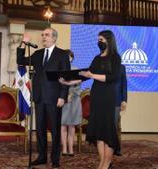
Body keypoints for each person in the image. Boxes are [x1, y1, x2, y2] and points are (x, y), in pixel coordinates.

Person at [17, 28, 70, 168]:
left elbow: (65, 77)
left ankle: (55, 159)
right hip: (39, 97)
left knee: (55, 130)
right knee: (39, 129)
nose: (43, 37)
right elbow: (20, 60)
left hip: (54, 98)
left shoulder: (62, 55)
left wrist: (62, 96)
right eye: (42, 35)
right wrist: (23, 43)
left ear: (54, 38)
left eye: (46, 35)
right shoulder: (38, 54)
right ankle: (41, 156)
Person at [80, 30, 121, 169]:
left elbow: (112, 78)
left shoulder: (115, 58)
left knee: (107, 130)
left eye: (101, 40)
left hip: (108, 96)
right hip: (96, 95)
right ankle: (102, 162)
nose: (99, 42)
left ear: (109, 41)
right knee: (99, 130)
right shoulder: (97, 58)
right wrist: (69, 80)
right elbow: (87, 74)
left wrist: (92, 75)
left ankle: (107, 162)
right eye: (98, 40)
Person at [59, 49, 82, 156]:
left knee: (72, 126)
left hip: (74, 100)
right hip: (63, 100)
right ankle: (64, 148)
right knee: (63, 125)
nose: (68, 58)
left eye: (70, 56)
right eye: (66, 56)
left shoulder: (76, 70)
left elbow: (78, 84)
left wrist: (71, 93)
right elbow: (58, 85)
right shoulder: (60, 70)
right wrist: (64, 95)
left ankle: (71, 148)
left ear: (72, 58)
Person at [114, 64, 127, 155]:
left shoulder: (121, 67)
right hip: (104, 101)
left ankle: (117, 148)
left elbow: (124, 84)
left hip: (117, 101)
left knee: (115, 125)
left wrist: (124, 100)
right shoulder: (103, 65)